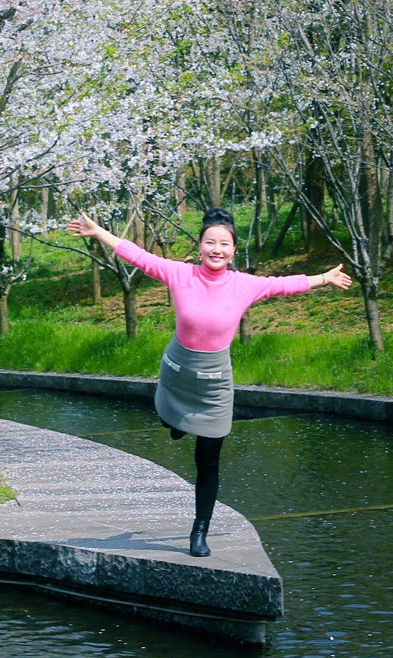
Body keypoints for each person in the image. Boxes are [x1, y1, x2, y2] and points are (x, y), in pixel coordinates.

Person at [67, 208, 352, 556]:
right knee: (168, 417)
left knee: (208, 459)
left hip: (215, 381)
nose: (217, 249)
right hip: (178, 371)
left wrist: (324, 278)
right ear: (200, 245)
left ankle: (198, 532)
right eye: (210, 242)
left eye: (224, 244)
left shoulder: (245, 284)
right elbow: (139, 256)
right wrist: (99, 233)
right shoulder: (180, 274)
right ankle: (174, 420)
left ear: (233, 250)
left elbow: (284, 285)